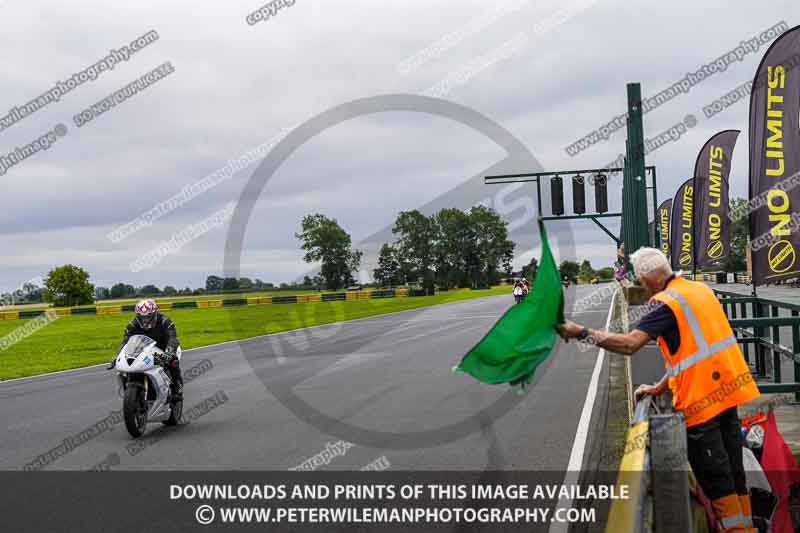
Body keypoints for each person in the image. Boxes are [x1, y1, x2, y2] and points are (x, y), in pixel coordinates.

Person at [557, 247, 759, 533]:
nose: (641, 287)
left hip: (701, 406)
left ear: (646, 278)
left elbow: (629, 345)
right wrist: (661, 385)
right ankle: (749, 528)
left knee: (719, 486)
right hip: (727, 395)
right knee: (736, 478)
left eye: (640, 282)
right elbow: (694, 352)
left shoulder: (664, 303)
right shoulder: (699, 290)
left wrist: (581, 333)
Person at [108, 299, 183, 401]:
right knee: (127, 367)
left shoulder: (165, 321)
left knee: (173, 362)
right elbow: (125, 342)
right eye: (142, 317)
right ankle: (130, 390)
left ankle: (177, 387)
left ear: (154, 313)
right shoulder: (132, 324)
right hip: (144, 350)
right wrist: (116, 356)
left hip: (163, 349)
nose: (145, 320)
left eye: (148, 316)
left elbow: (172, 338)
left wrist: (169, 352)